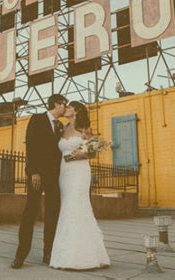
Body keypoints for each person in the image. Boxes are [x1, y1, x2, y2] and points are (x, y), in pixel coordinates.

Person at [50, 101, 110, 270]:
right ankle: (66, 254)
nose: (65, 109)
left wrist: (81, 154)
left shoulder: (85, 129)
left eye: (68, 107)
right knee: (67, 207)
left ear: (76, 111)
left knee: (77, 205)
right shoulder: (63, 128)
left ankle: (82, 257)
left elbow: (93, 152)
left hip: (79, 172)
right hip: (65, 173)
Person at [11, 94, 68, 269]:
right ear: (57, 104)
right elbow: (31, 146)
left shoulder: (60, 126)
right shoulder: (37, 119)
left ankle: (48, 253)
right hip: (37, 176)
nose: (65, 108)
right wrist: (34, 171)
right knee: (30, 213)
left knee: (52, 214)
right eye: (64, 104)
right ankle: (20, 256)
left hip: (54, 178)